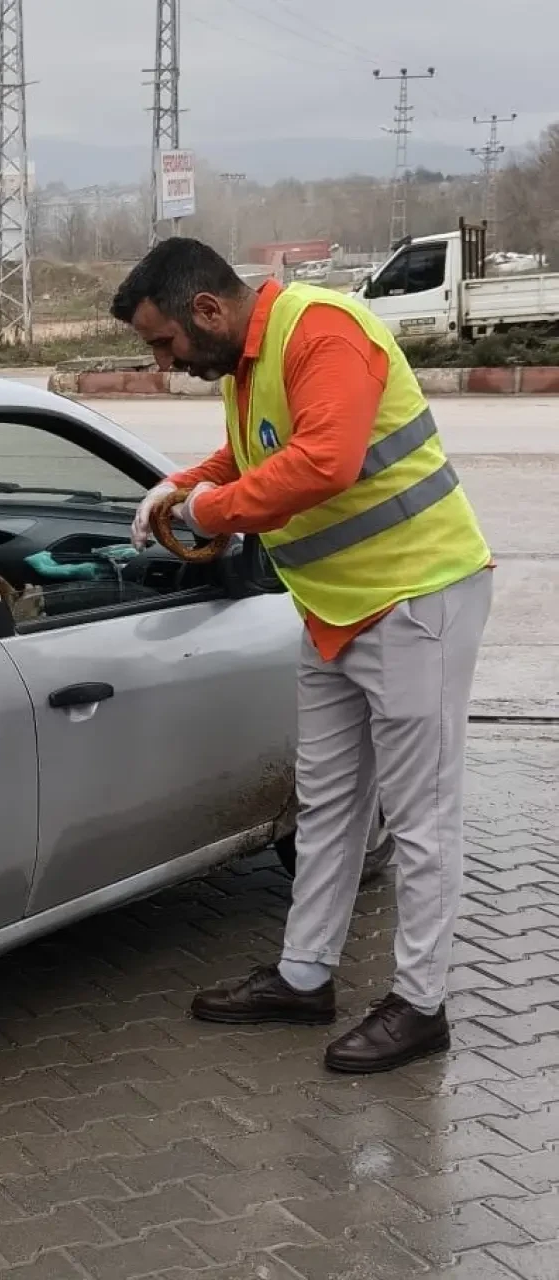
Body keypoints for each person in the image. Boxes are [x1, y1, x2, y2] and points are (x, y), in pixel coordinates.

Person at [111, 238, 493, 1074]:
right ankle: (304, 975)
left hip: (415, 597)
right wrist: (184, 483)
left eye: (165, 343)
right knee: (326, 802)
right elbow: (256, 455)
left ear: (206, 310)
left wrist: (212, 515)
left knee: (420, 819)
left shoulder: (321, 332)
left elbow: (325, 460)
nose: (165, 363)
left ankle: (420, 1005)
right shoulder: (248, 360)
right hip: (333, 609)